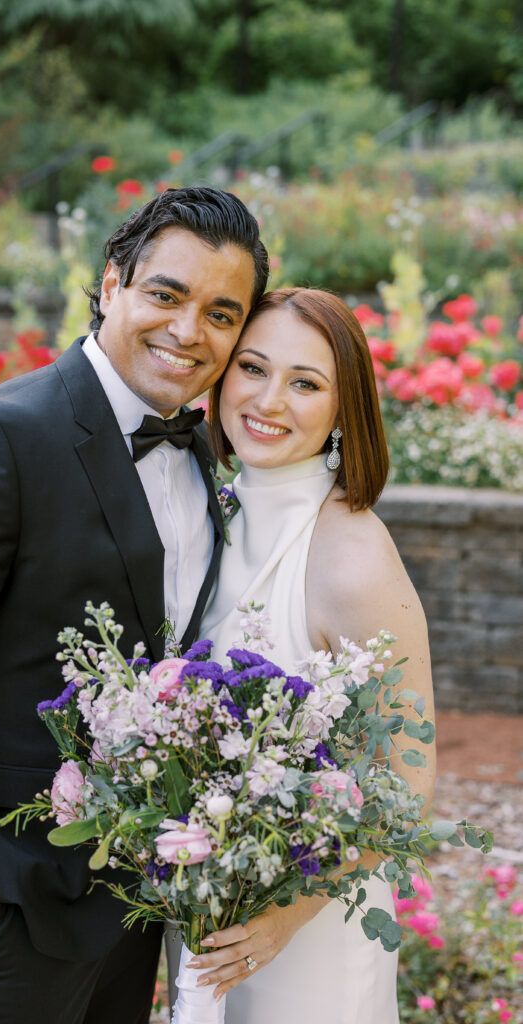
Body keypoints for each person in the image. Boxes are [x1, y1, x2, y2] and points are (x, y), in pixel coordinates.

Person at [0, 186, 269, 1024]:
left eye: (222, 313)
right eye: (166, 295)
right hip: (11, 905)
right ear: (111, 283)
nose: (189, 332)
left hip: (136, 899)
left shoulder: (205, 450)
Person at [191, 287, 436, 1021]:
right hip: (209, 907)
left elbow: (408, 784)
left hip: (308, 935)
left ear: (342, 408)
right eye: (252, 368)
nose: (268, 400)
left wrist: (283, 918)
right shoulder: (212, 511)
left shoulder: (350, 556)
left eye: (305, 383)